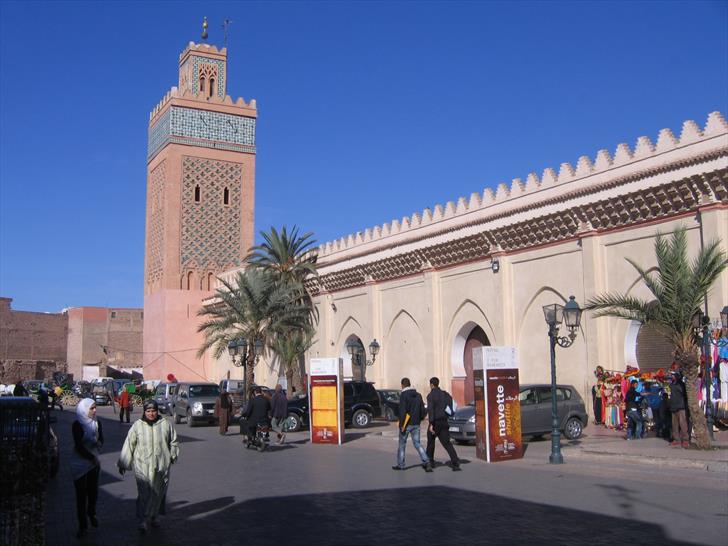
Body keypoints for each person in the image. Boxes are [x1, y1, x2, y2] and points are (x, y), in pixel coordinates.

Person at [117, 399, 179, 533]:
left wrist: (173, 455)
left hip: (161, 466)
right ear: (144, 412)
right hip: (142, 466)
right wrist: (123, 463)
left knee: (158, 492)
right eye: (148, 411)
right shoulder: (137, 426)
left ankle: (154, 516)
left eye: (154, 411)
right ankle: (143, 520)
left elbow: (173, 441)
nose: (151, 414)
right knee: (144, 493)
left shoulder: (165, 424)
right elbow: (129, 444)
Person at [71, 398, 103, 538]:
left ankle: (92, 512)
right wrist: (91, 457)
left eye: (95, 407)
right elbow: (78, 446)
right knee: (81, 496)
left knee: (93, 492)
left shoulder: (97, 423)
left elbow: (101, 439)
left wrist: (99, 442)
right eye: (92, 408)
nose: (95, 410)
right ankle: (82, 526)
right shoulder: (77, 425)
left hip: (93, 463)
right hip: (80, 462)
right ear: (84, 409)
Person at [393, 377, 432, 472]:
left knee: (402, 444)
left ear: (402, 385)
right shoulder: (418, 395)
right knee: (417, 443)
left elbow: (402, 411)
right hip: (416, 423)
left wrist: (401, 425)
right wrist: (421, 418)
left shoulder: (404, 395)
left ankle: (401, 464)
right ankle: (426, 461)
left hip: (406, 424)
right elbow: (422, 409)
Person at [425, 377, 461, 471]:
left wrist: (431, 424)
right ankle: (455, 462)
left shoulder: (430, 396)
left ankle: (430, 463)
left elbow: (431, 410)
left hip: (435, 422)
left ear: (431, 385)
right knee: (447, 443)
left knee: (430, 443)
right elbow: (451, 405)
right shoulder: (444, 394)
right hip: (444, 421)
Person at [669, 372, 689, 448]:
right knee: (674, 425)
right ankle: (676, 439)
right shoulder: (672, 384)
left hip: (681, 406)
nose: (672, 376)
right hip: (673, 406)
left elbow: (683, 393)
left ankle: (685, 440)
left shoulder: (681, 384)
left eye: (673, 375)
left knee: (683, 423)